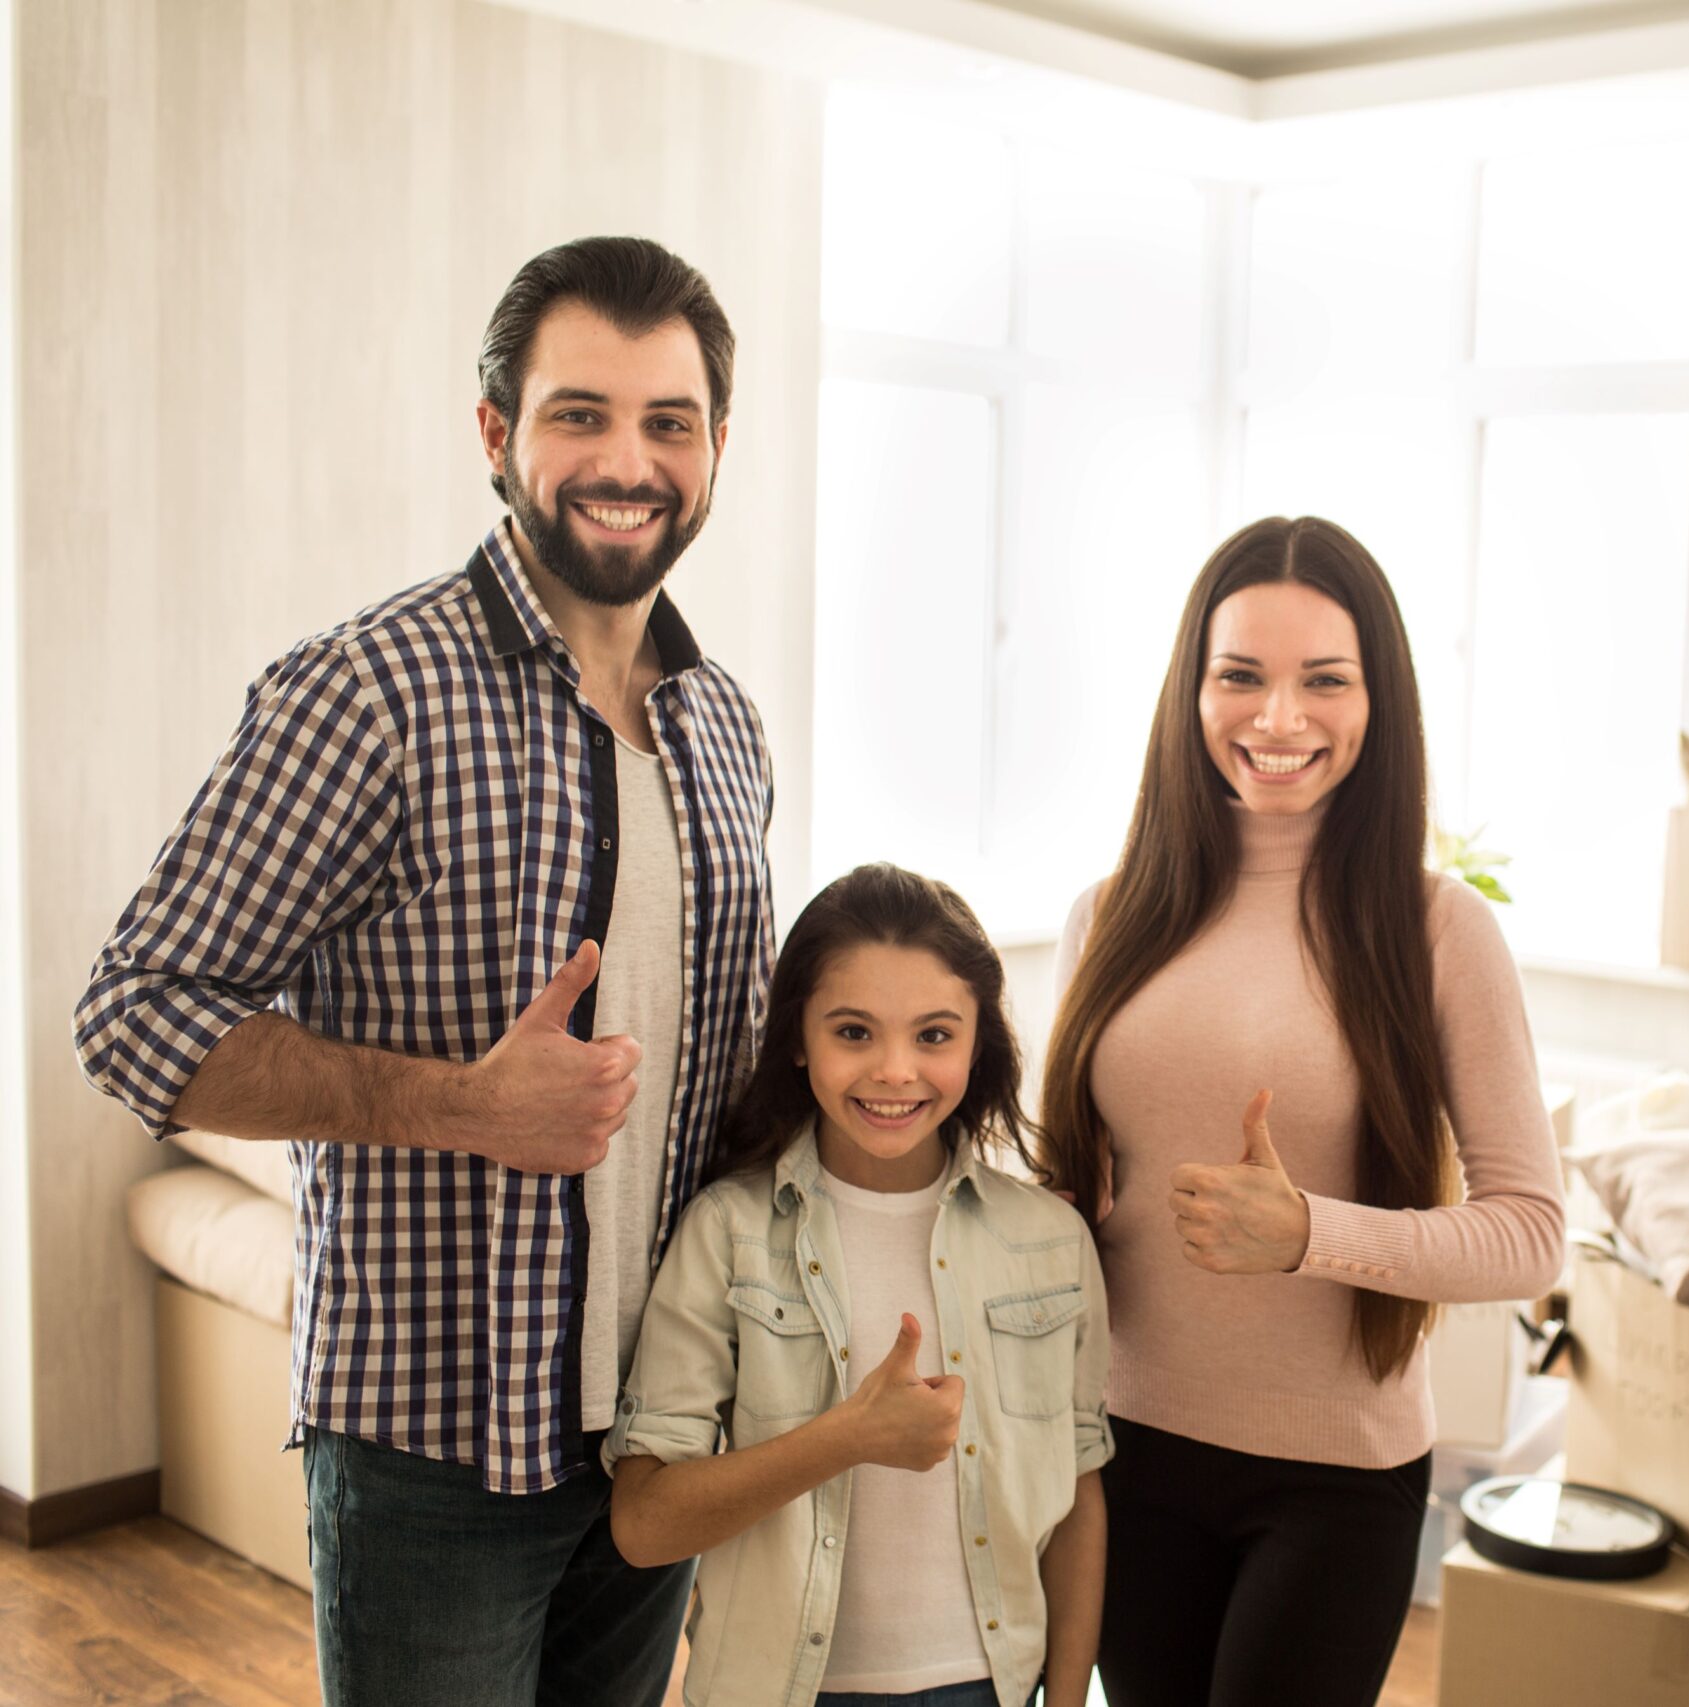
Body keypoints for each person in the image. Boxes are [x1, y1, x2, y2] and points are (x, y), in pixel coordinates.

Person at [72, 236, 775, 1707]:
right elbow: (134, 1009)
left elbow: (733, 1080)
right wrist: (464, 1104)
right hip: (436, 1451)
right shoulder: (370, 691)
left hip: (663, 1439)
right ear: (497, 433)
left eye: (669, 421)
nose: (626, 459)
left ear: (718, 446)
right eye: (580, 412)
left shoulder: (727, 728)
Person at [1039, 515, 1565, 1707]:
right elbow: (1077, 1193)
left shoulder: (1437, 931)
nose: (1278, 720)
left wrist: (1309, 1235)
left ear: (1378, 703)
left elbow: (1532, 1235)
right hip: (1125, 1447)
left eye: (1323, 681)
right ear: (1193, 690)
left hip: (1333, 1477)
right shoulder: (1105, 915)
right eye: (1241, 677)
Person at [608, 863, 1109, 1707]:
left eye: (934, 1035)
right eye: (853, 1032)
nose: (894, 1070)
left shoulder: (1051, 1243)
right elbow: (644, 1523)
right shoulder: (726, 1233)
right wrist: (846, 1436)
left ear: (978, 1039)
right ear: (799, 1036)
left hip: (988, 1689)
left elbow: (1079, 1499)